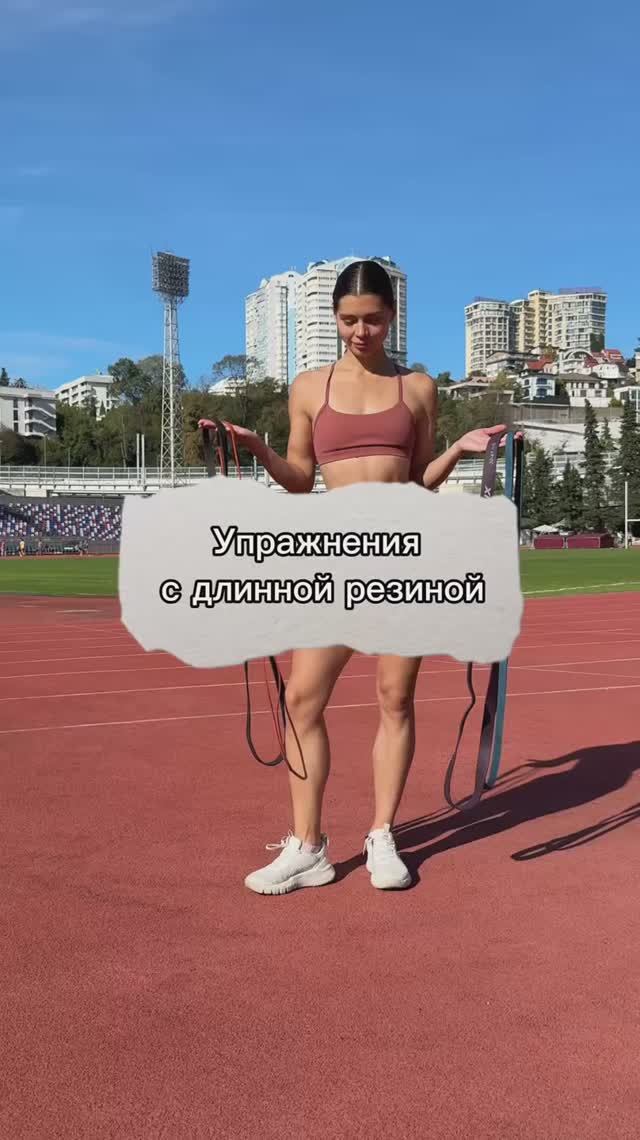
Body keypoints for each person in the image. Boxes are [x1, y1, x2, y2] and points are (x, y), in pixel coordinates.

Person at [200, 259, 509, 895]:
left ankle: (382, 835)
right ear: (334, 318)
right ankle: (307, 846)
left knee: (395, 698)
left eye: (372, 320)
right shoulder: (309, 388)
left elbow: (419, 480)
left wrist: (458, 449)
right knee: (302, 700)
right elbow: (298, 479)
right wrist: (255, 447)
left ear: (391, 317)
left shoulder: (417, 388)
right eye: (348, 320)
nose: (360, 332)